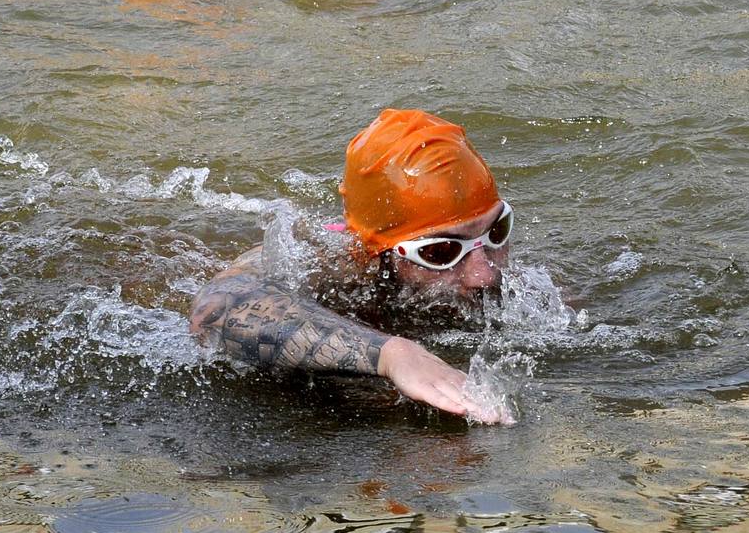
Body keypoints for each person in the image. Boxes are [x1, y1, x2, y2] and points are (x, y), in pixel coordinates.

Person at [189, 109, 515, 424]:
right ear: (373, 253)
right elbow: (213, 312)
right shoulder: (318, 265)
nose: (483, 275)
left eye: (495, 231)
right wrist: (392, 355)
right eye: (441, 251)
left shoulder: (509, 284)